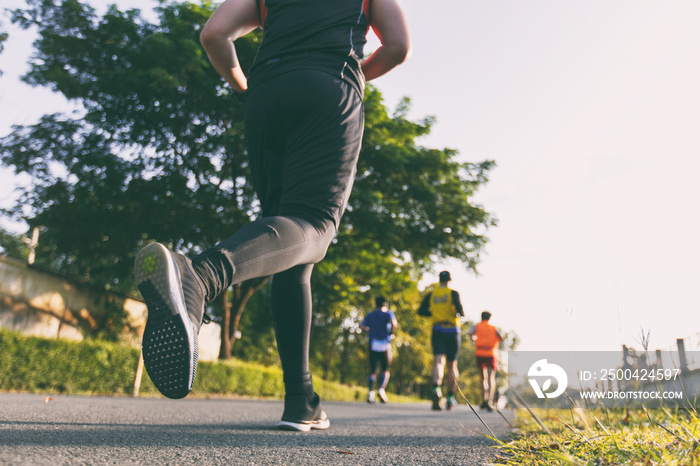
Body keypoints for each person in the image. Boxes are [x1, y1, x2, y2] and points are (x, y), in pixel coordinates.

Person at [134, 0, 411, 432]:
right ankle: (202, 276)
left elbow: (214, 35)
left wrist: (243, 83)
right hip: (329, 84)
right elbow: (396, 46)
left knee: (289, 245)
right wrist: (355, 73)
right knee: (314, 226)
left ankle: (301, 401)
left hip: (266, 95)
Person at [417, 271, 464, 411]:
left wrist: (434, 313)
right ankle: (450, 398)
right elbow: (461, 311)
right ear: (450, 279)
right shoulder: (453, 293)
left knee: (438, 361)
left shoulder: (432, 294)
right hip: (452, 330)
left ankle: (436, 389)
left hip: (437, 329)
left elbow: (421, 311)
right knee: (452, 365)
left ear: (439, 280)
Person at [360, 296, 398, 403]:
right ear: (385, 304)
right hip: (384, 343)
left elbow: (362, 326)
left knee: (372, 370)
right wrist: (392, 333)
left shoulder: (370, 315)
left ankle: (370, 392)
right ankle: (381, 389)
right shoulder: (388, 313)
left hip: (373, 343)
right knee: (385, 369)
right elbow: (394, 323)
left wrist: (368, 329)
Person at [468, 311, 502, 411]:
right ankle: (489, 400)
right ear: (489, 318)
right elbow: (500, 337)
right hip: (491, 353)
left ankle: (484, 399)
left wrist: (475, 339)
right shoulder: (493, 328)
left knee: (483, 378)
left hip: (480, 352)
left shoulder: (477, 326)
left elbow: (470, 333)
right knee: (491, 377)